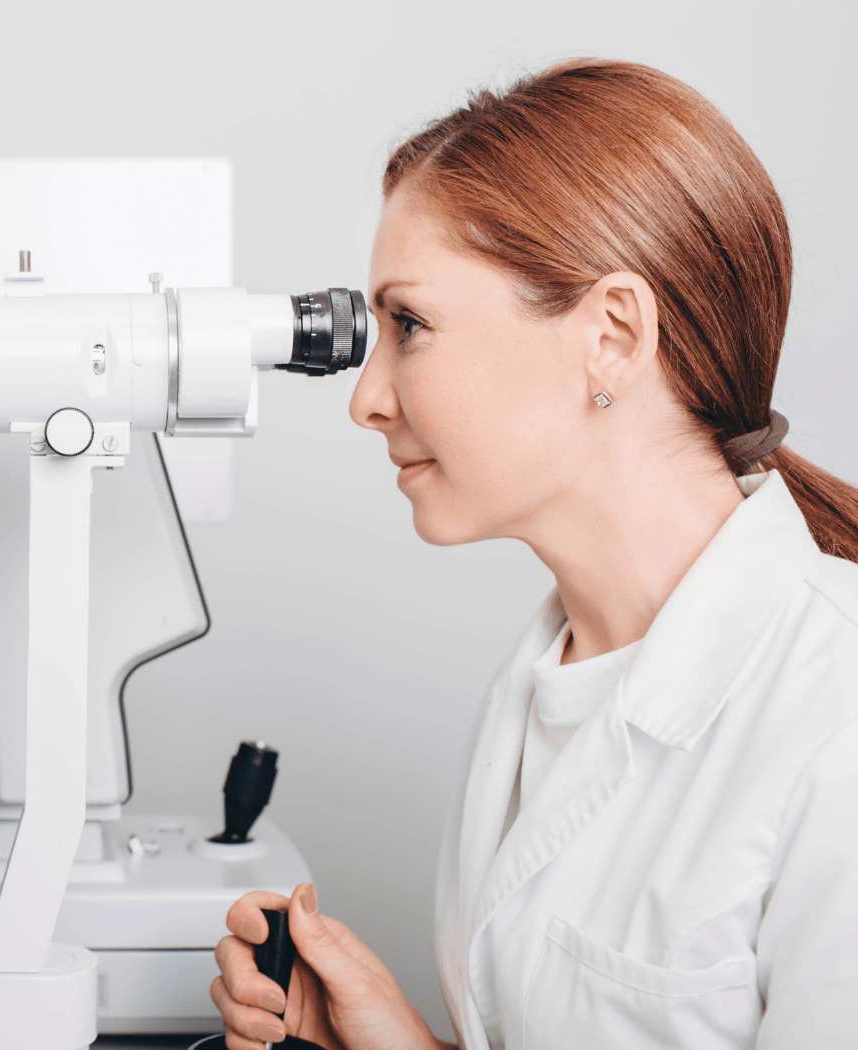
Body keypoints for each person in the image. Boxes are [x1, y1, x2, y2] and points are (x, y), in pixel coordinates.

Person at [211, 59, 858, 1050]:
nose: (365, 399)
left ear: (609, 337)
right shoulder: (545, 682)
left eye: (410, 326)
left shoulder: (832, 708)